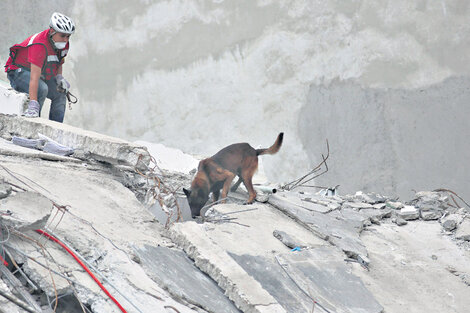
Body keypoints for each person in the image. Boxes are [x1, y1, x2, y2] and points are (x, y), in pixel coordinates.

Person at [4, 12, 75, 123]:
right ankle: (34, 125)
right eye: (62, 35)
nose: (66, 39)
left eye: (68, 36)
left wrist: (59, 77)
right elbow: (34, 78)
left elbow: (59, 61)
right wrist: (33, 104)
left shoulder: (64, 44)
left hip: (40, 73)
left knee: (61, 92)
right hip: (18, 72)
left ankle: (56, 129)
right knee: (41, 89)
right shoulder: (40, 45)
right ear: (52, 31)